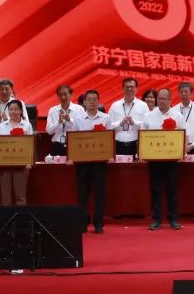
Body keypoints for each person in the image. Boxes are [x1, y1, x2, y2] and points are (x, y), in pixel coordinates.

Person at [73, 90, 112, 233]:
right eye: (89, 99)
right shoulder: (77, 119)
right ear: (84, 102)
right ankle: (82, 223)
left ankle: (98, 224)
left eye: (94, 99)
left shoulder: (106, 118)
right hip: (82, 161)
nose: (92, 102)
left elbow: (109, 138)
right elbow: (74, 139)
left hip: (99, 161)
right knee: (83, 193)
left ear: (98, 101)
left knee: (99, 193)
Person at [143, 88, 183, 230]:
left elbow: (184, 136)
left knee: (172, 189)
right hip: (154, 159)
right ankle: (156, 219)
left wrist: (182, 152)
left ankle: (173, 218)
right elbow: (143, 136)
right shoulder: (148, 116)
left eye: (164, 99)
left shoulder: (177, 116)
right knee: (155, 189)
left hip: (172, 159)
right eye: (159, 98)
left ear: (170, 100)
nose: (161, 101)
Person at [0, 100, 33, 206]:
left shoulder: (27, 125)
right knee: (5, 198)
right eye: (10, 109)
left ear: (21, 111)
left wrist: (29, 162)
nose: (13, 112)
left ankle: (21, 217)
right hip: (4, 164)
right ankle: (6, 217)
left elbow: (31, 145)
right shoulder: (2, 125)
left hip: (21, 164)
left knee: (20, 196)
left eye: (16, 109)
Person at [109, 77, 148, 157]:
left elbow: (147, 126)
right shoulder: (115, 105)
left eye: (132, 87)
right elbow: (108, 126)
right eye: (127, 87)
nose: (129, 89)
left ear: (136, 89)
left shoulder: (143, 105)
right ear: (123, 88)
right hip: (118, 144)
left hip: (136, 144)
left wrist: (134, 123)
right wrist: (120, 123)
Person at [45, 84, 84, 157]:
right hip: (58, 144)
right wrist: (58, 122)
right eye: (60, 95)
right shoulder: (53, 110)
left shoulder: (79, 109)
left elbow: (83, 128)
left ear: (71, 94)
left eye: (65, 94)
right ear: (58, 96)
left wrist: (70, 120)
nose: (63, 97)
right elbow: (49, 131)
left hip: (75, 144)